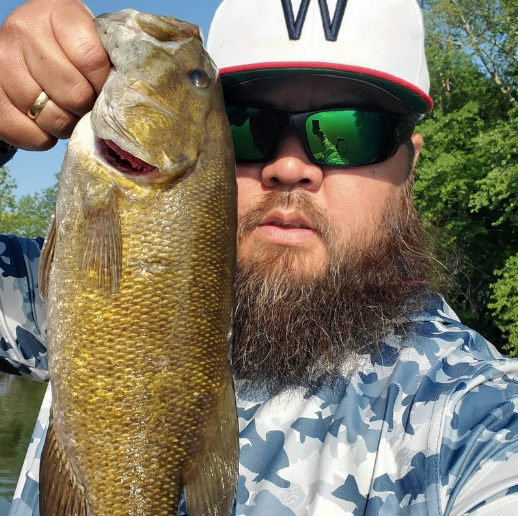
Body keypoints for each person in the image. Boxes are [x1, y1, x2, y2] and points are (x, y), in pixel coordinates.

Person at [1, 0, 518, 514]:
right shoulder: (80, 290)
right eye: (248, 125)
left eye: (349, 132)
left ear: (410, 165)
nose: (290, 165)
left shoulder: (475, 418)